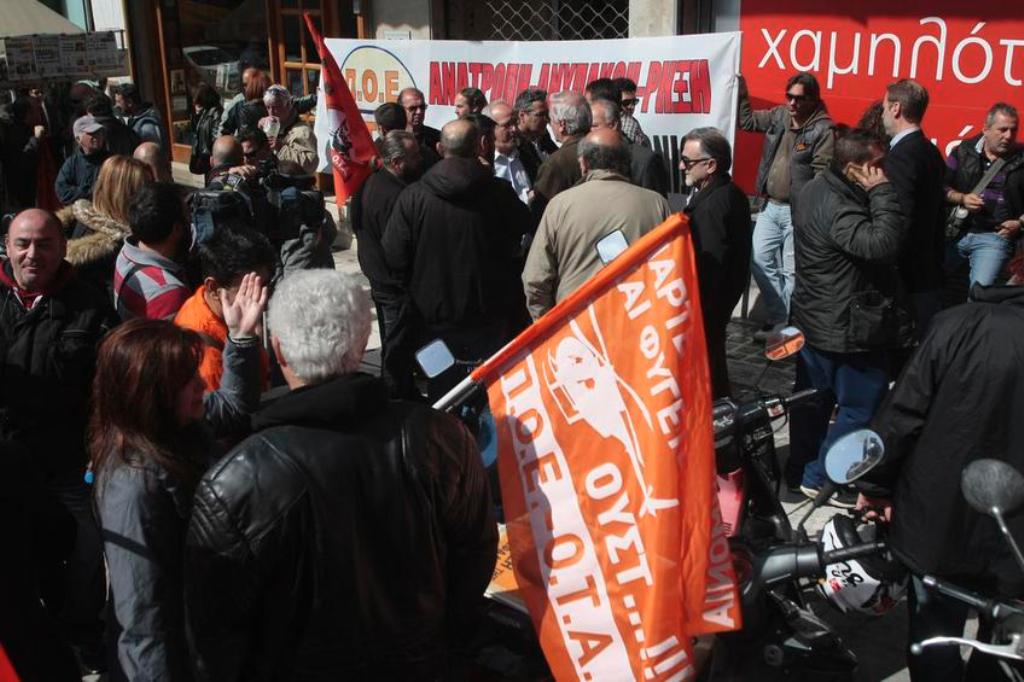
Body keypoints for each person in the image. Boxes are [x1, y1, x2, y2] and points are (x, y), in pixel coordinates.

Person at [184, 269, 498, 681]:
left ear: (278, 351)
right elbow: (474, 556)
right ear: (362, 342)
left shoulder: (234, 481)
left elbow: (215, 637)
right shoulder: (441, 437)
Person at [93, 282, 264, 682]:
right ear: (152, 392)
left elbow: (233, 406)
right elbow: (142, 617)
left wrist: (241, 338)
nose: (202, 385)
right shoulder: (132, 487)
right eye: (188, 380)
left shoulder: (181, 426)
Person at [860, 283, 1024, 682]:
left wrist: (876, 486)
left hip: (939, 520)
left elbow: (902, 415)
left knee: (935, 633)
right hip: (1013, 539)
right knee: (1007, 644)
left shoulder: (957, 324)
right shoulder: (960, 324)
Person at [0, 209, 119, 671]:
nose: (33, 254)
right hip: (8, 461)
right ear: (7, 247)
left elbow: (111, 385)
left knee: (85, 552)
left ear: (63, 247)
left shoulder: (90, 304)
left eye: (44, 243)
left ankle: (81, 632)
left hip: (69, 461)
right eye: (23, 244)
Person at [789, 128, 911, 504]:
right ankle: (823, 476)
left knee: (812, 401)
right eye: (877, 165)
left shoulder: (816, 188)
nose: (883, 172)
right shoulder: (840, 206)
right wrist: (882, 193)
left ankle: (799, 469)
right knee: (862, 405)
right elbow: (881, 244)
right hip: (844, 327)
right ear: (853, 168)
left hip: (817, 317)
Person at [383, 118, 531, 397]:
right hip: (488, 316)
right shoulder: (497, 192)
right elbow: (523, 227)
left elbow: (394, 256)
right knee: (494, 394)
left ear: (440, 149)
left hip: (438, 318)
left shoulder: (414, 197)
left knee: (444, 396)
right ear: (481, 146)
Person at [523, 128, 670, 320]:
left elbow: (535, 279)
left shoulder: (560, 205)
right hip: (636, 323)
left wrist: (548, 324)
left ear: (583, 163)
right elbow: (669, 271)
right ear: (626, 162)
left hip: (577, 325)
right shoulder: (656, 204)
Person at [738, 71, 835, 340]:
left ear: (814, 100)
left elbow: (822, 175)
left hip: (798, 212)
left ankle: (786, 325)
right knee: (759, 259)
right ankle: (781, 317)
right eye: (789, 96)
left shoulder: (823, 129)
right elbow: (747, 121)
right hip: (770, 206)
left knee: (792, 272)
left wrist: (811, 212)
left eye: (799, 99)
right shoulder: (780, 115)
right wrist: (741, 93)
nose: (792, 103)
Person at [680, 127, 753, 398]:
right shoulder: (724, 193)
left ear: (710, 165)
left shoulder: (715, 203)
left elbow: (711, 262)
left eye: (687, 161)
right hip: (717, 300)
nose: (681, 166)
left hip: (708, 302)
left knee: (708, 364)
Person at [350, 130, 422, 395]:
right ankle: (396, 395)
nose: (420, 160)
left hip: (380, 276)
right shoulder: (395, 195)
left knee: (395, 340)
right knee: (396, 346)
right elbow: (399, 245)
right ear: (397, 162)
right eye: (414, 156)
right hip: (393, 282)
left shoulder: (372, 182)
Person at [880, 79, 947, 335]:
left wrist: (886, 263)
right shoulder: (930, 151)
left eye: (884, 108)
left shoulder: (903, 156)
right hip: (927, 271)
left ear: (896, 108)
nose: (883, 114)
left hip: (907, 278)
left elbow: (900, 217)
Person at [174, 228, 275, 391]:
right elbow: (232, 404)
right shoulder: (206, 357)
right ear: (213, 288)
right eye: (248, 290)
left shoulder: (205, 302)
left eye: (264, 285)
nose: (261, 298)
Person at [944, 102, 1024, 289]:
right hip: (955, 232)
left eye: (1013, 130)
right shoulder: (962, 152)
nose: (1008, 136)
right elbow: (939, 187)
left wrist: (1020, 223)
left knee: (980, 292)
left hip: (994, 237)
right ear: (986, 129)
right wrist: (962, 198)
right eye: (1002, 130)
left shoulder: (1022, 159)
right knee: (930, 284)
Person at [61, 155, 153, 293]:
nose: (149, 196)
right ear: (126, 196)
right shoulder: (117, 250)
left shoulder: (77, 219)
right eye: (145, 189)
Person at [114, 182, 191, 320]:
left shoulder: (126, 253)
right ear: (177, 229)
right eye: (188, 216)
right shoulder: (168, 291)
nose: (191, 222)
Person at [589, 97, 669, 197]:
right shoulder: (588, 157)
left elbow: (657, 203)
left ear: (613, 125)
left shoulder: (644, 162)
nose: (589, 131)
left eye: (594, 126)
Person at [532, 91, 591, 211]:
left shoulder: (556, 164)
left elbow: (540, 210)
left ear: (562, 124)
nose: (548, 124)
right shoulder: (605, 147)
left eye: (550, 119)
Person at [260, 84, 318, 175]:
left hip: (294, 181)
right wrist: (258, 131)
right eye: (268, 107)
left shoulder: (302, 131)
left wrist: (281, 148)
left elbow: (310, 164)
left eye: (276, 107)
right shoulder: (269, 126)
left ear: (288, 105)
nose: (271, 112)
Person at [484, 101, 534, 205]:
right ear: (490, 130)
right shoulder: (483, 164)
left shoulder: (528, 154)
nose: (514, 129)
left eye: (515, 122)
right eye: (507, 125)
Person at [0, 97, 44, 212]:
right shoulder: (17, 133)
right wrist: (36, 139)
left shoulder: (20, 129)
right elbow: (24, 158)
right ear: (27, 113)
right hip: (21, 185)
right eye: (34, 111)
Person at [55, 114, 109, 205]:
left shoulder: (111, 161)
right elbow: (62, 191)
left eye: (99, 132)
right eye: (91, 133)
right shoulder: (72, 163)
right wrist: (88, 193)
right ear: (78, 139)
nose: (97, 136)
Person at [514, 87, 557, 170]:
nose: (546, 119)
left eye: (547, 114)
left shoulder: (544, 137)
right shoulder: (515, 146)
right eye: (540, 115)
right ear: (522, 115)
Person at [115, 83, 167, 150]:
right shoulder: (135, 120)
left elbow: (151, 153)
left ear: (129, 102)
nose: (116, 106)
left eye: (118, 102)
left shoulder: (146, 126)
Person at [400, 86, 441, 170]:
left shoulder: (437, 138)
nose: (419, 112)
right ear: (401, 109)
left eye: (422, 107)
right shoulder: (392, 138)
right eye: (412, 108)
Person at [221, 70, 271, 137]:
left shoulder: (273, 104)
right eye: (244, 85)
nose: (246, 88)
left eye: (248, 84)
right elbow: (225, 130)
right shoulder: (239, 103)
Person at [189, 83, 223, 177]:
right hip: (205, 154)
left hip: (211, 154)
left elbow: (217, 135)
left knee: (212, 177)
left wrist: (213, 153)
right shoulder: (205, 111)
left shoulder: (216, 112)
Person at [219, 66, 260, 135]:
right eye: (245, 84)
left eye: (251, 84)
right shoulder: (238, 102)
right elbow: (224, 129)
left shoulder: (269, 99)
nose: (247, 87)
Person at [613, 76, 651, 148]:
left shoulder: (630, 121)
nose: (631, 107)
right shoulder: (628, 122)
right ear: (615, 101)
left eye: (634, 102)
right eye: (626, 102)